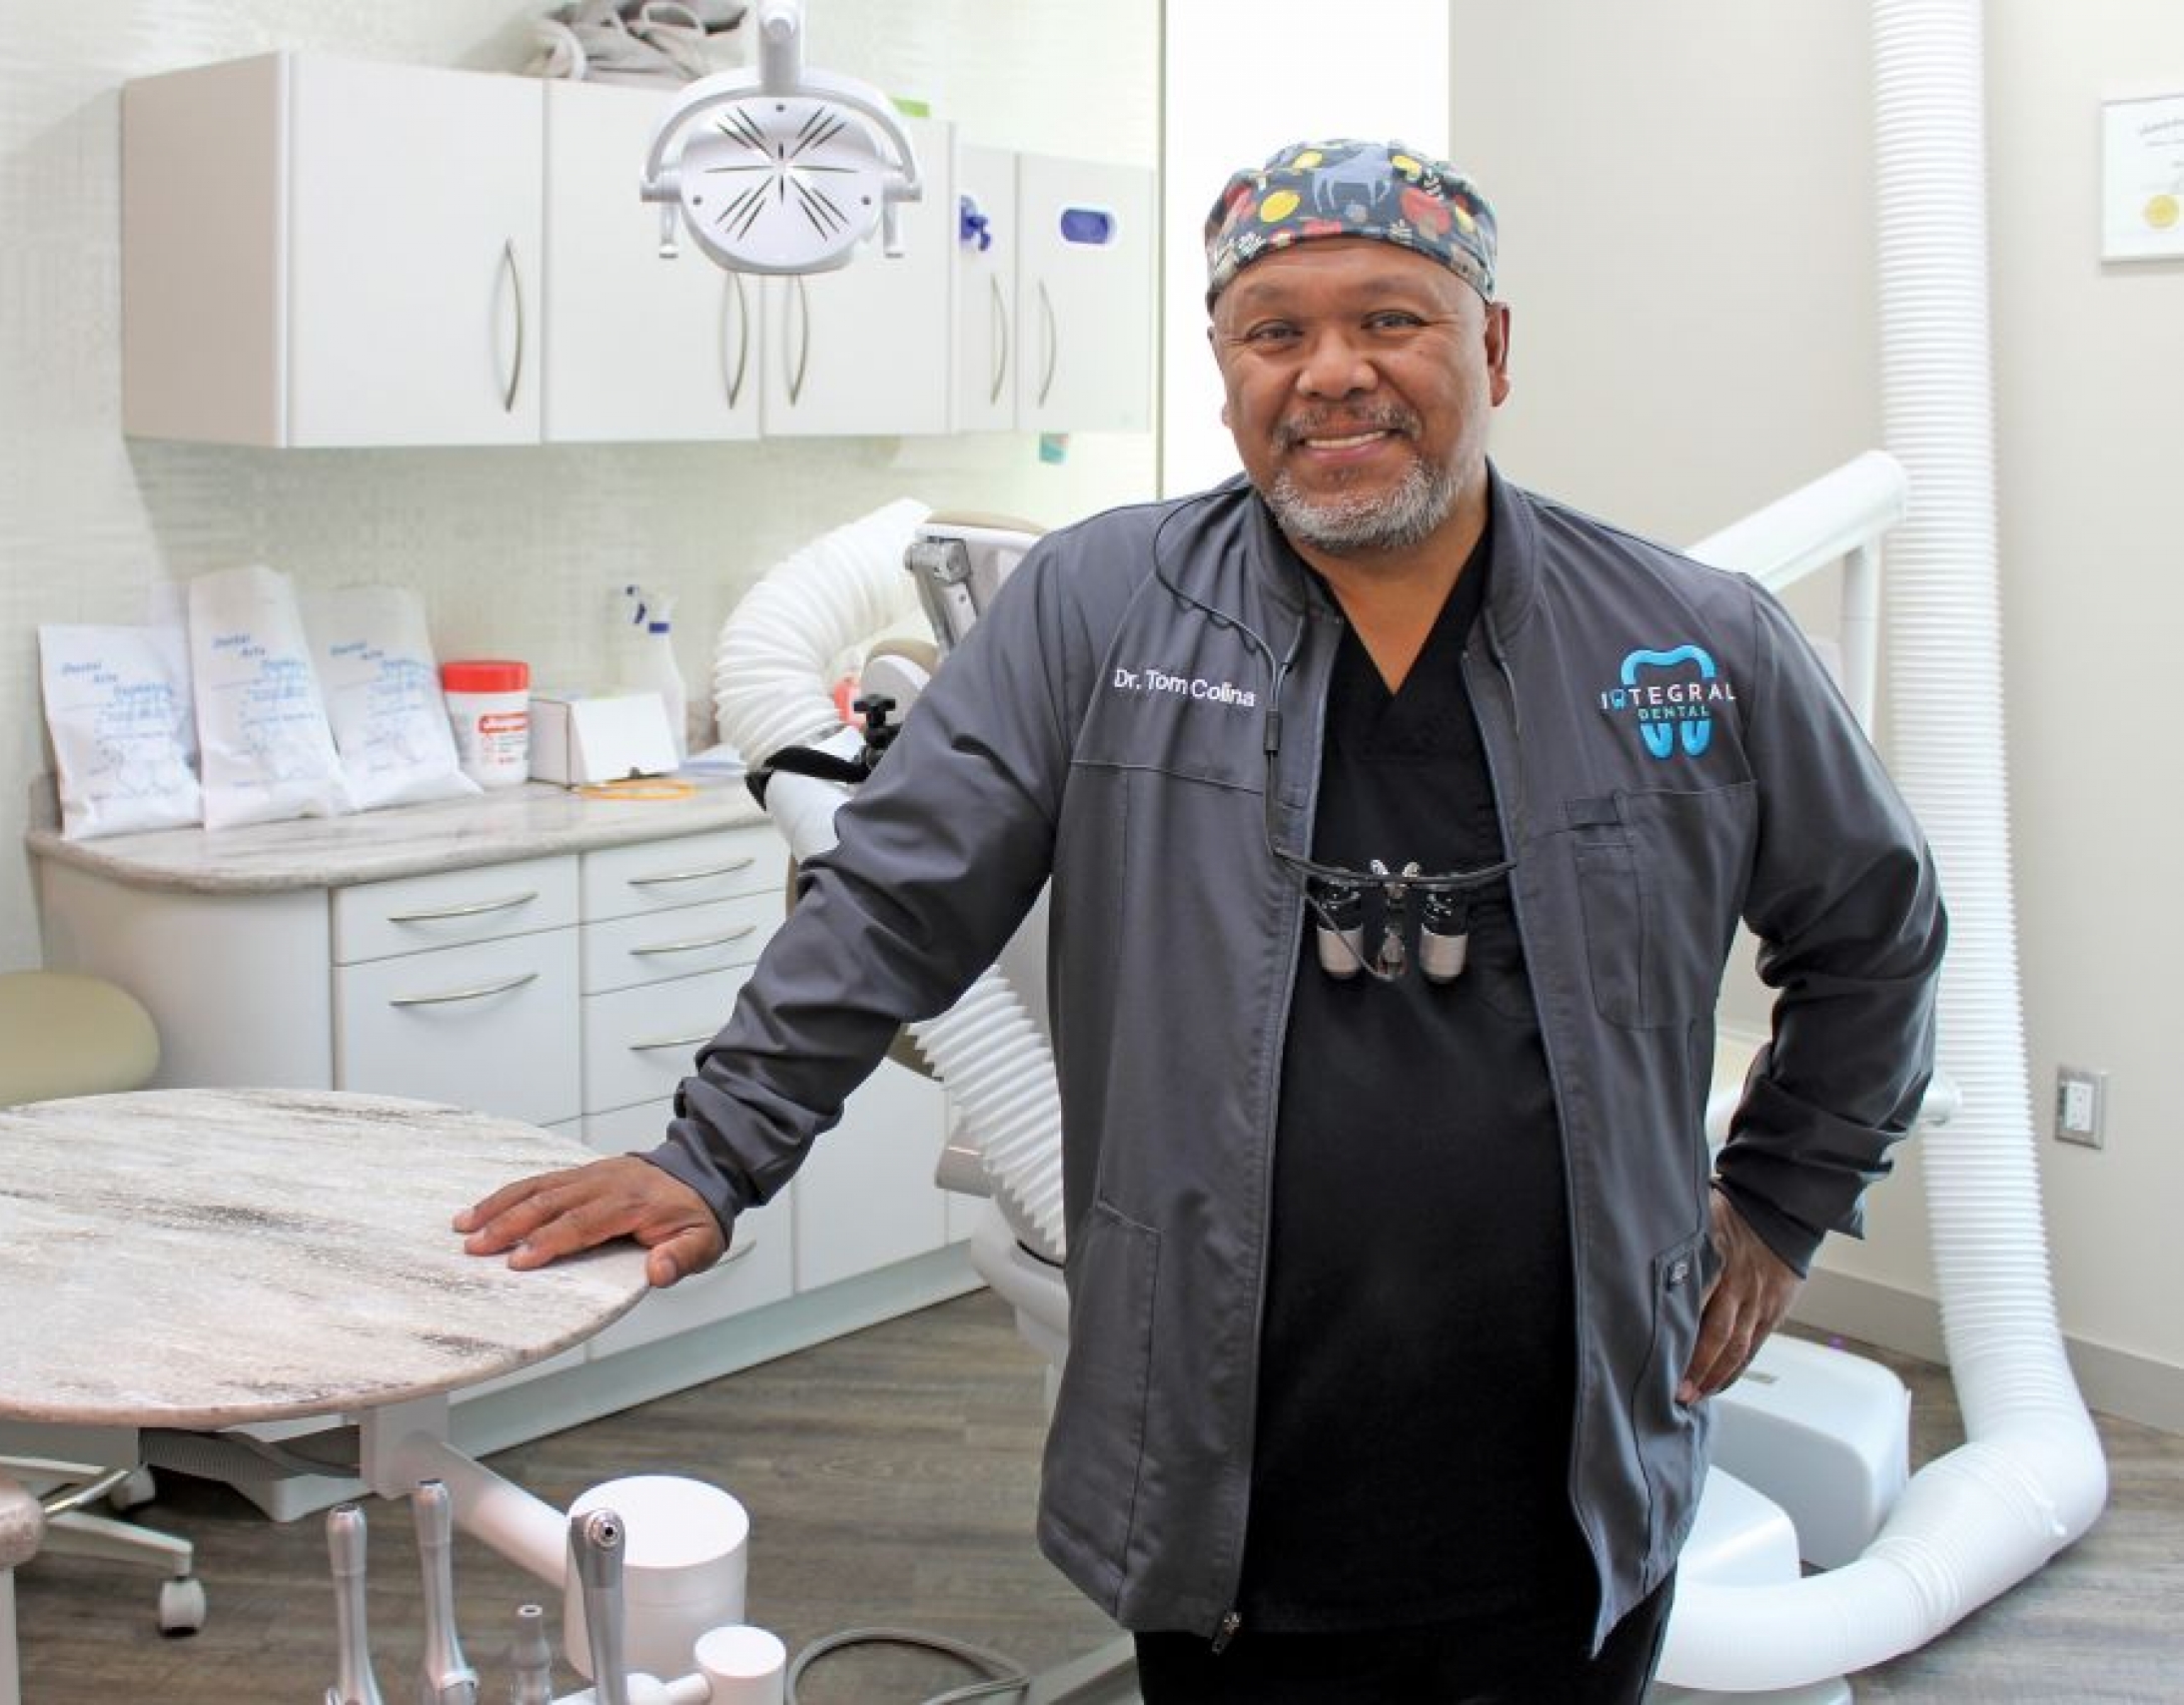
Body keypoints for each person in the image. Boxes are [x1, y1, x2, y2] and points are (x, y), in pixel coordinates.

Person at [457, 137, 1944, 1703]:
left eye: (1392, 319)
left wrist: (1780, 1194)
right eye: (1276, 330)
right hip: (1223, 1476)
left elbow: (1876, 935)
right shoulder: (1104, 607)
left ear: (1491, 345)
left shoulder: (1688, 642)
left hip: (1565, 1479)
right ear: (1225, 365)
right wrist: (714, 1152)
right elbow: (892, 898)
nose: (1333, 375)